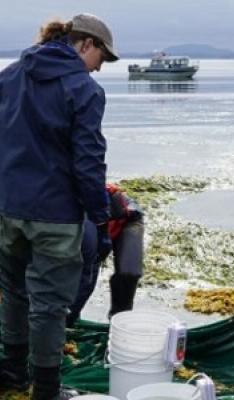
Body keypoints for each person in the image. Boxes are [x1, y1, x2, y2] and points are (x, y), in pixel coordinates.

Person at [0, 13, 118, 400]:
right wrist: (100, 221)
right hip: (55, 215)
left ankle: (13, 372)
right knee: (49, 306)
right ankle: (47, 391)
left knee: (15, 292)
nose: (100, 68)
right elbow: (88, 163)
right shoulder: (83, 89)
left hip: (8, 208)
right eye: (102, 57)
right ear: (86, 44)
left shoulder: (11, 74)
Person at [66, 184, 144, 328]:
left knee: (129, 273)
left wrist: (67, 314)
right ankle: (71, 321)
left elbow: (86, 279)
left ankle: (120, 323)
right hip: (95, 227)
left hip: (127, 221)